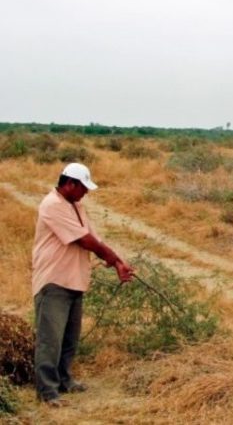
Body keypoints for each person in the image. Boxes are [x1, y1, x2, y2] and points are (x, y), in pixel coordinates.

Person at [32, 163, 135, 407]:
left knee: (69, 338)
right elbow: (85, 240)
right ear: (69, 184)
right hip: (54, 280)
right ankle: (47, 392)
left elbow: (95, 238)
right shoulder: (52, 205)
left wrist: (118, 261)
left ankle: (65, 380)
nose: (85, 193)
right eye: (83, 188)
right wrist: (112, 258)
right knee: (50, 340)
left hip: (74, 279)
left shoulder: (75, 205)